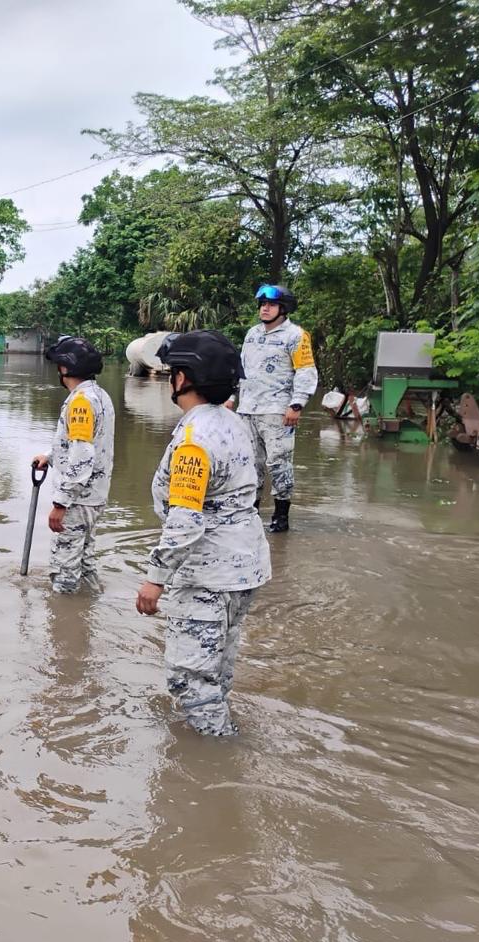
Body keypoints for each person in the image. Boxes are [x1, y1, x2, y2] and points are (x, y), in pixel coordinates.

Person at [135, 330, 271, 737]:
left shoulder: (194, 440)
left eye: (173, 372)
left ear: (183, 379)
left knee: (190, 678)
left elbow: (185, 520)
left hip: (208, 574)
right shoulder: (236, 422)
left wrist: (155, 579)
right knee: (217, 666)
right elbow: (255, 485)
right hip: (245, 567)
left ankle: (214, 751)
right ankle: (218, 733)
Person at [30, 335, 114, 593]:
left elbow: (82, 454)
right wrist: (50, 456)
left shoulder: (80, 402)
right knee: (85, 560)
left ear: (64, 368)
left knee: (65, 568)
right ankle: (90, 604)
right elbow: (83, 441)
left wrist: (61, 503)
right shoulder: (100, 395)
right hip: (94, 496)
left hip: (78, 500)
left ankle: (64, 614)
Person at [235, 283, 319, 533]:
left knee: (279, 464)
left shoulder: (296, 336)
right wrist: (231, 395)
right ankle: (250, 515)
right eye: (262, 304)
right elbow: (241, 368)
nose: (265, 308)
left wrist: (297, 404)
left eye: (271, 305)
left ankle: (281, 517)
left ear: (283, 309)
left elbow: (305, 371)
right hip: (247, 409)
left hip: (277, 412)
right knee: (249, 465)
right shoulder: (252, 334)